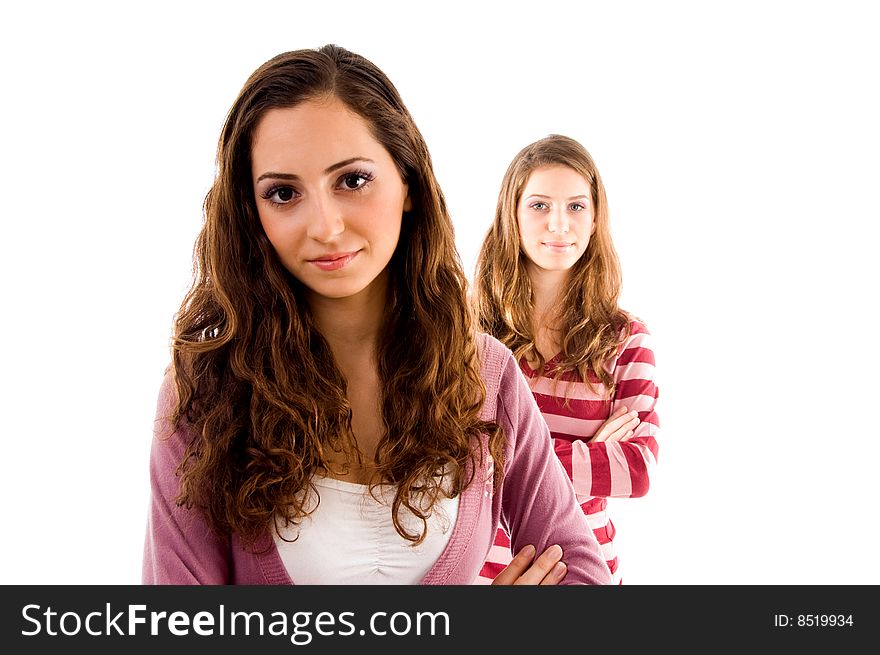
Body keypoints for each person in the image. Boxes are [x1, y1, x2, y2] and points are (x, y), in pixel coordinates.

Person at [142, 46, 612, 585]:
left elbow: (583, 575)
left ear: (407, 181)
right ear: (252, 213)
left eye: (352, 181)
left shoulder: (488, 376)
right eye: (284, 193)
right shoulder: (204, 394)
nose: (325, 226)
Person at [472, 135, 660, 584]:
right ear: (512, 217)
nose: (559, 225)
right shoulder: (468, 332)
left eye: (576, 206)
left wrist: (505, 454)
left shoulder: (626, 340)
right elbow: (445, 460)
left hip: (586, 573)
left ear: (595, 219)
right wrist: (593, 456)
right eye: (539, 206)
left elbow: (637, 471)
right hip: (481, 578)